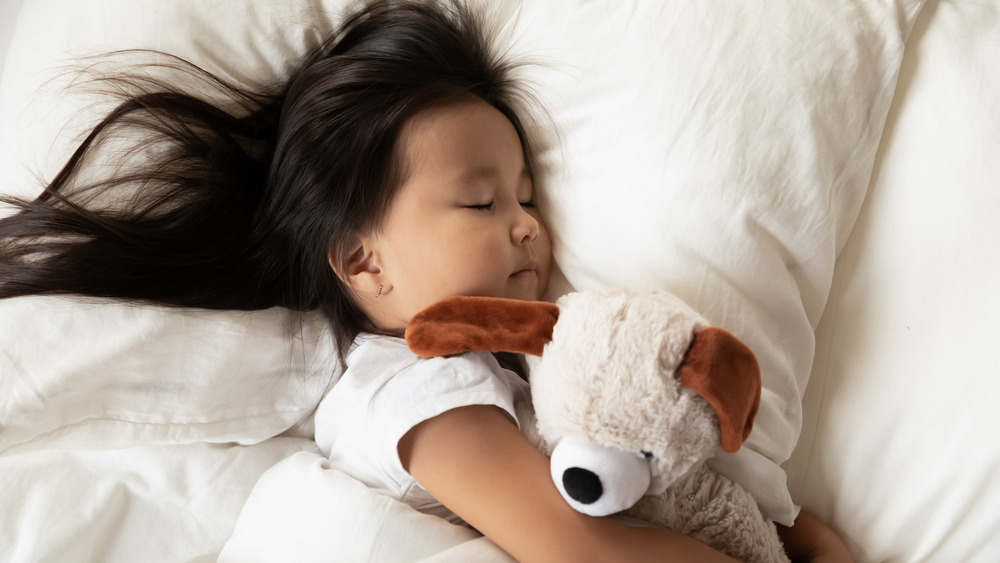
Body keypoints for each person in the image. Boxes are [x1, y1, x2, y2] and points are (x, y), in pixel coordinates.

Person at [0, 1, 852, 560]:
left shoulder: (531, 373)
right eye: (480, 200)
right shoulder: (413, 386)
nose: (526, 222)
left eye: (524, 193)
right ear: (363, 260)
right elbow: (576, 547)